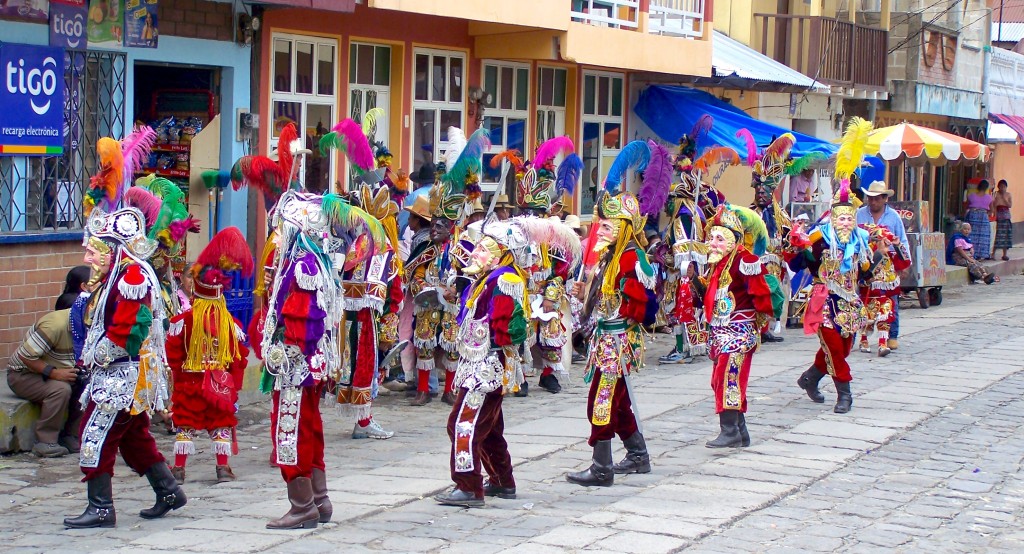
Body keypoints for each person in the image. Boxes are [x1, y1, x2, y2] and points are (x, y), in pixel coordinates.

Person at [65, 205, 185, 528]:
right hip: (124, 373)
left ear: (113, 251)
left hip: (123, 375)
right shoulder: (117, 274)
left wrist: (95, 355)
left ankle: (101, 507)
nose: (88, 259)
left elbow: (127, 334)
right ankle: (169, 490)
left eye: (94, 251)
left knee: (95, 434)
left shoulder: (131, 277)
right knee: (133, 439)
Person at [434, 218, 531, 508]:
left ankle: (468, 486)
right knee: (489, 427)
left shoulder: (505, 279)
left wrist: (496, 355)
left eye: (483, 248)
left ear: (501, 253)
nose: (476, 252)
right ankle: (502, 480)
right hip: (477, 361)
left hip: (487, 365)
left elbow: (507, 327)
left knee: (462, 423)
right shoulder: (489, 278)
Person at [567, 190, 658, 487]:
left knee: (601, 401)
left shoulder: (631, 257)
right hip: (604, 340)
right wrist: (587, 294)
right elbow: (606, 297)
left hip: (617, 344)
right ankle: (637, 454)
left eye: (607, 226)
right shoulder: (612, 255)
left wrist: (620, 306)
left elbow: (640, 304)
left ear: (624, 227)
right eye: (600, 225)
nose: (600, 231)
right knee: (616, 404)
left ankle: (602, 467)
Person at [789, 117, 875, 415]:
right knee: (835, 349)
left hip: (850, 301)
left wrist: (874, 257)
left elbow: (867, 272)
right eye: (840, 218)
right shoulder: (820, 237)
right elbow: (798, 261)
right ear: (832, 217)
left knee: (845, 347)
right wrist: (801, 247)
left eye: (849, 218)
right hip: (825, 300)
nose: (845, 223)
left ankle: (810, 378)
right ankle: (845, 394)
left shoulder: (863, 241)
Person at [165, 227, 252, 484]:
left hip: (190, 383)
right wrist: (233, 384)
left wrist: (178, 380)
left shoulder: (183, 320)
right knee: (220, 424)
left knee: (185, 426)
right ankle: (222, 468)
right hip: (219, 382)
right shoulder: (230, 323)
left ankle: (179, 469)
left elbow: (173, 354)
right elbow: (239, 359)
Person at [699, 205, 775, 448]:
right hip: (721, 332)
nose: (713, 243)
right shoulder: (719, 263)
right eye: (711, 238)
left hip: (739, 331)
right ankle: (740, 431)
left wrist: (759, 324)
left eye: (720, 239)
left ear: (733, 241)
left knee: (729, 377)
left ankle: (730, 430)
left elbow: (761, 295)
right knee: (719, 379)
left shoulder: (745, 260)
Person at [338, 184, 404, 439]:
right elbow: (390, 293)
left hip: (349, 318)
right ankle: (363, 422)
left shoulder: (357, 243)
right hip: (368, 318)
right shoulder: (381, 245)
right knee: (366, 365)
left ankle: (361, 420)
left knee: (353, 365)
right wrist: (389, 329)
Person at [5, 309, 82, 457]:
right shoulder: (54, 326)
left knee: (89, 386)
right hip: (23, 374)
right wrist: (54, 373)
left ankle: (71, 435)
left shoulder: (92, 324)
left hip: (60, 369)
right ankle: (45, 442)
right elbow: (25, 356)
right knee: (61, 389)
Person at [856, 180, 910, 351]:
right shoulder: (859, 214)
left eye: (877, 198)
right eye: (870, 198)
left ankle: (891, 335)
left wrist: (905, 264)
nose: (873, 202)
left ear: (885, 199)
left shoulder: (893, 216)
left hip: (887, 264)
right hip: (865, 262)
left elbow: (901, 239)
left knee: (890, 299)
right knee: (862, 300)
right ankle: (859, 335)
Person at [965, 180, 994, 260]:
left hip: (972, 216)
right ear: (986, 188)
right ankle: (981, 254)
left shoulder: (971, 196)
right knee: (982, 236)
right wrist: (985, 214)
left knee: (971, 234)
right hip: (983, 217)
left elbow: (967, 207)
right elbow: (992, 211)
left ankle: (970, 252)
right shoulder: (989, 198)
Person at [993, 179, 1013, 261]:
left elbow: (1010, 205)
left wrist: (1004, 198)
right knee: (997, 235)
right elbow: (994, 205)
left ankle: (1004, 254)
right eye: (1001, 187)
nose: (1002, 188)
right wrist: (994, 215)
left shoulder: (1008, 195)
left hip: (1006, 216)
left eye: (1004, 187)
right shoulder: (995, 194)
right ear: (998, 187)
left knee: (1006, 236)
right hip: (998, 215)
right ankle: (993, 254)